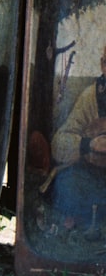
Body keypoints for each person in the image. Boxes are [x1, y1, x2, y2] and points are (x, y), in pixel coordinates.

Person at [48, 42, 106, 230]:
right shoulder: (90, 97)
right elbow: (59, 143)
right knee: (65, 184)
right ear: (103, 64)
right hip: (92, 175)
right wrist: (89, 144)